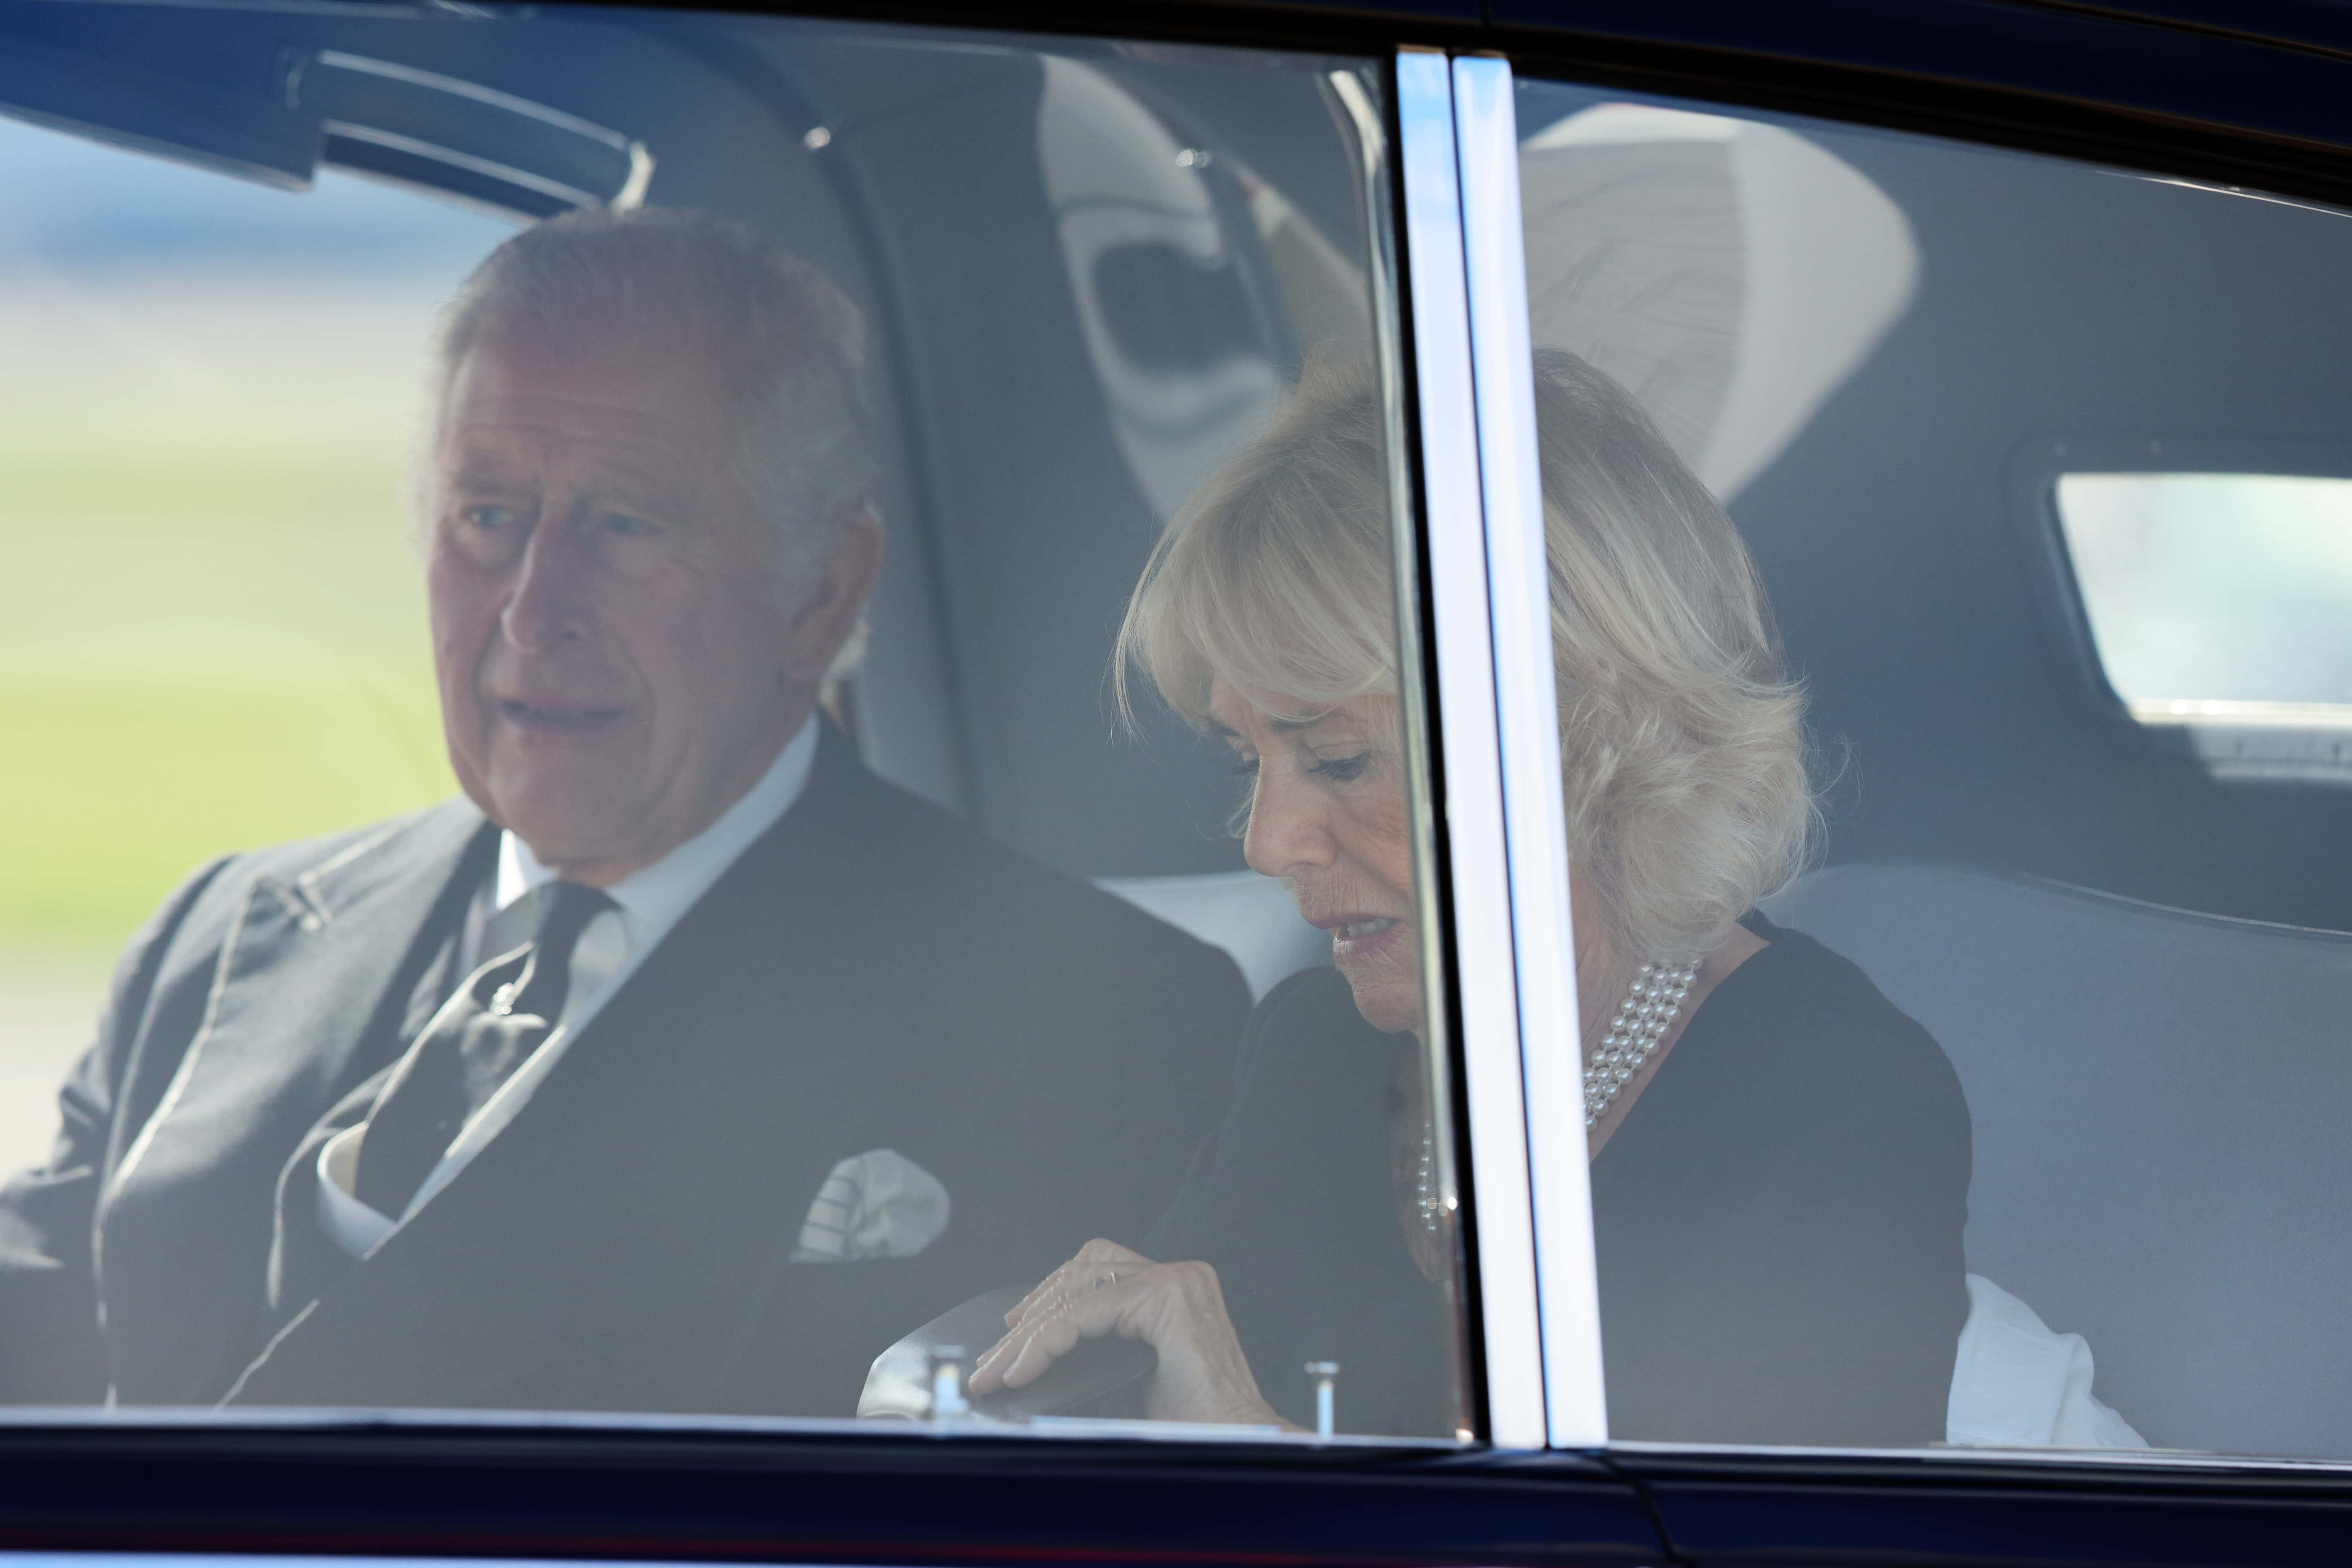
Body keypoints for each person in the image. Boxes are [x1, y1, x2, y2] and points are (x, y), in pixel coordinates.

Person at [0, 208, 1249, 1414]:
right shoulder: (225, 936)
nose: (533, 607)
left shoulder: (1099, 1019)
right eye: (488, 517)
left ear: (822, 590)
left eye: (624, 523)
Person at [970, 351, 1972, 1445]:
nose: (1268, 843)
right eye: (1245, 760)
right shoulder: (1310, 1055)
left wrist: (1251, 1447)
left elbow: (1741, 1535)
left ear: (1581, 743)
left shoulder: (1833, 1101)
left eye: (1338, 759)